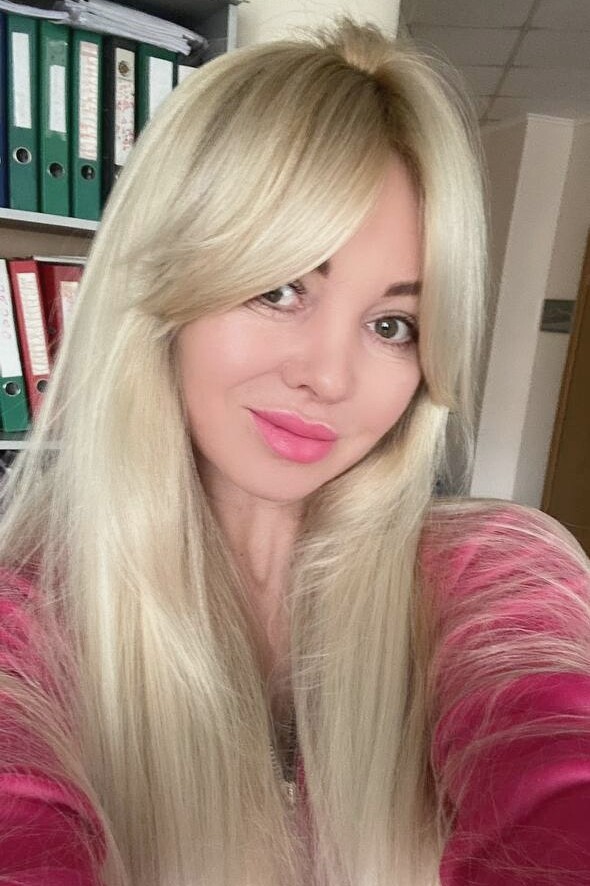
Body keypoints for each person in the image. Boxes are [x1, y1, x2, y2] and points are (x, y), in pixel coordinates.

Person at [0, 17, 588, 886]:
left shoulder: (493, 572)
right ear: (161, 288)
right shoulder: (29, 618)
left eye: (393, 325)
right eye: (280, 289)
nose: (329, 376)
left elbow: (556, 764)